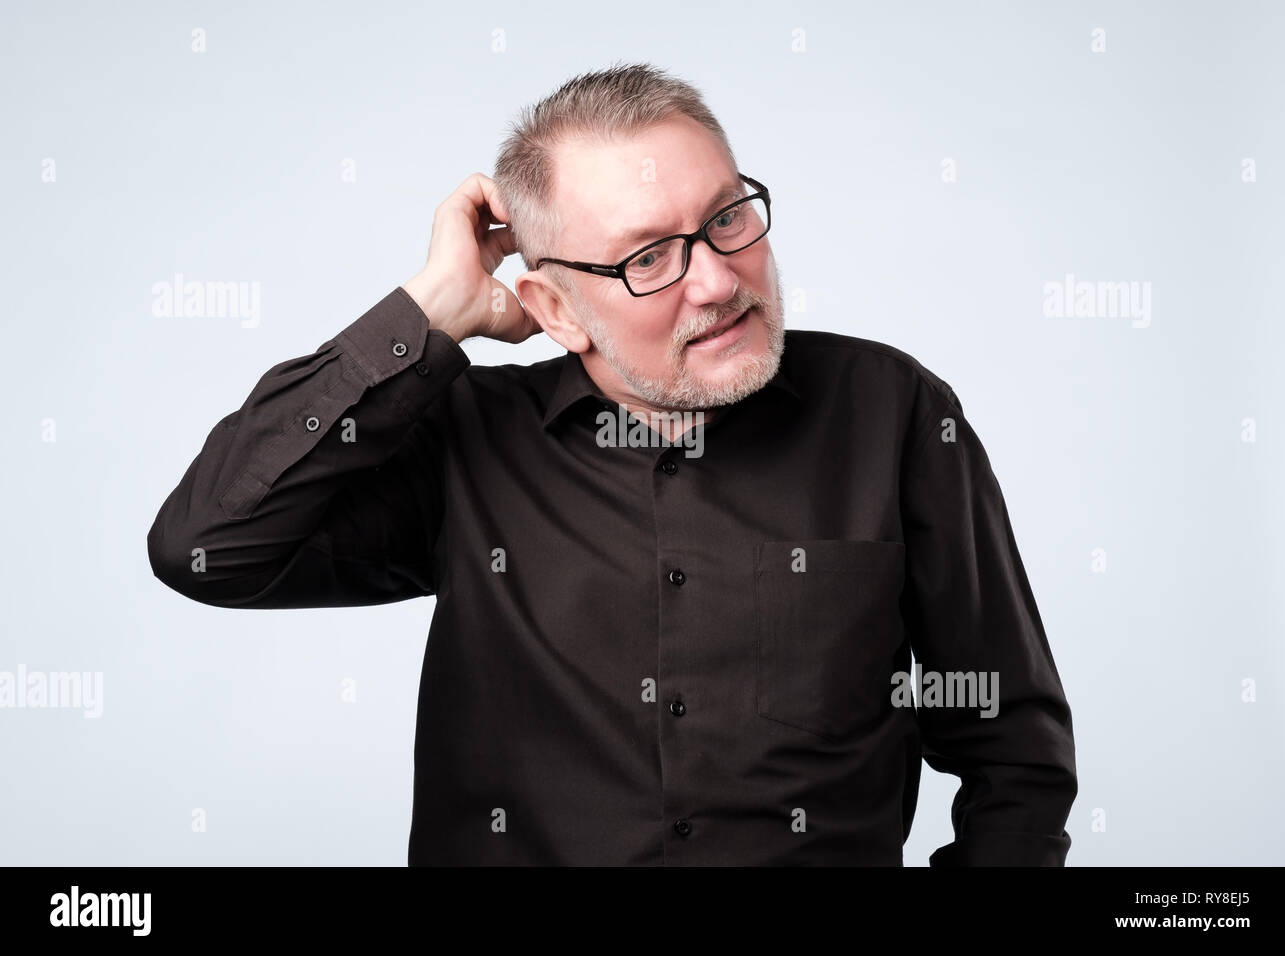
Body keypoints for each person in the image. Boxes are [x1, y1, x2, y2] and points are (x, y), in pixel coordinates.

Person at [147, 61, 1077, 866]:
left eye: (727, 220)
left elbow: (1014, 754)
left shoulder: (892, 412)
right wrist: (426, 310)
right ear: (553, 309)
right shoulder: (464, 439)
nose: (717, 281)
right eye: (648, 259)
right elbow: (206, 547)